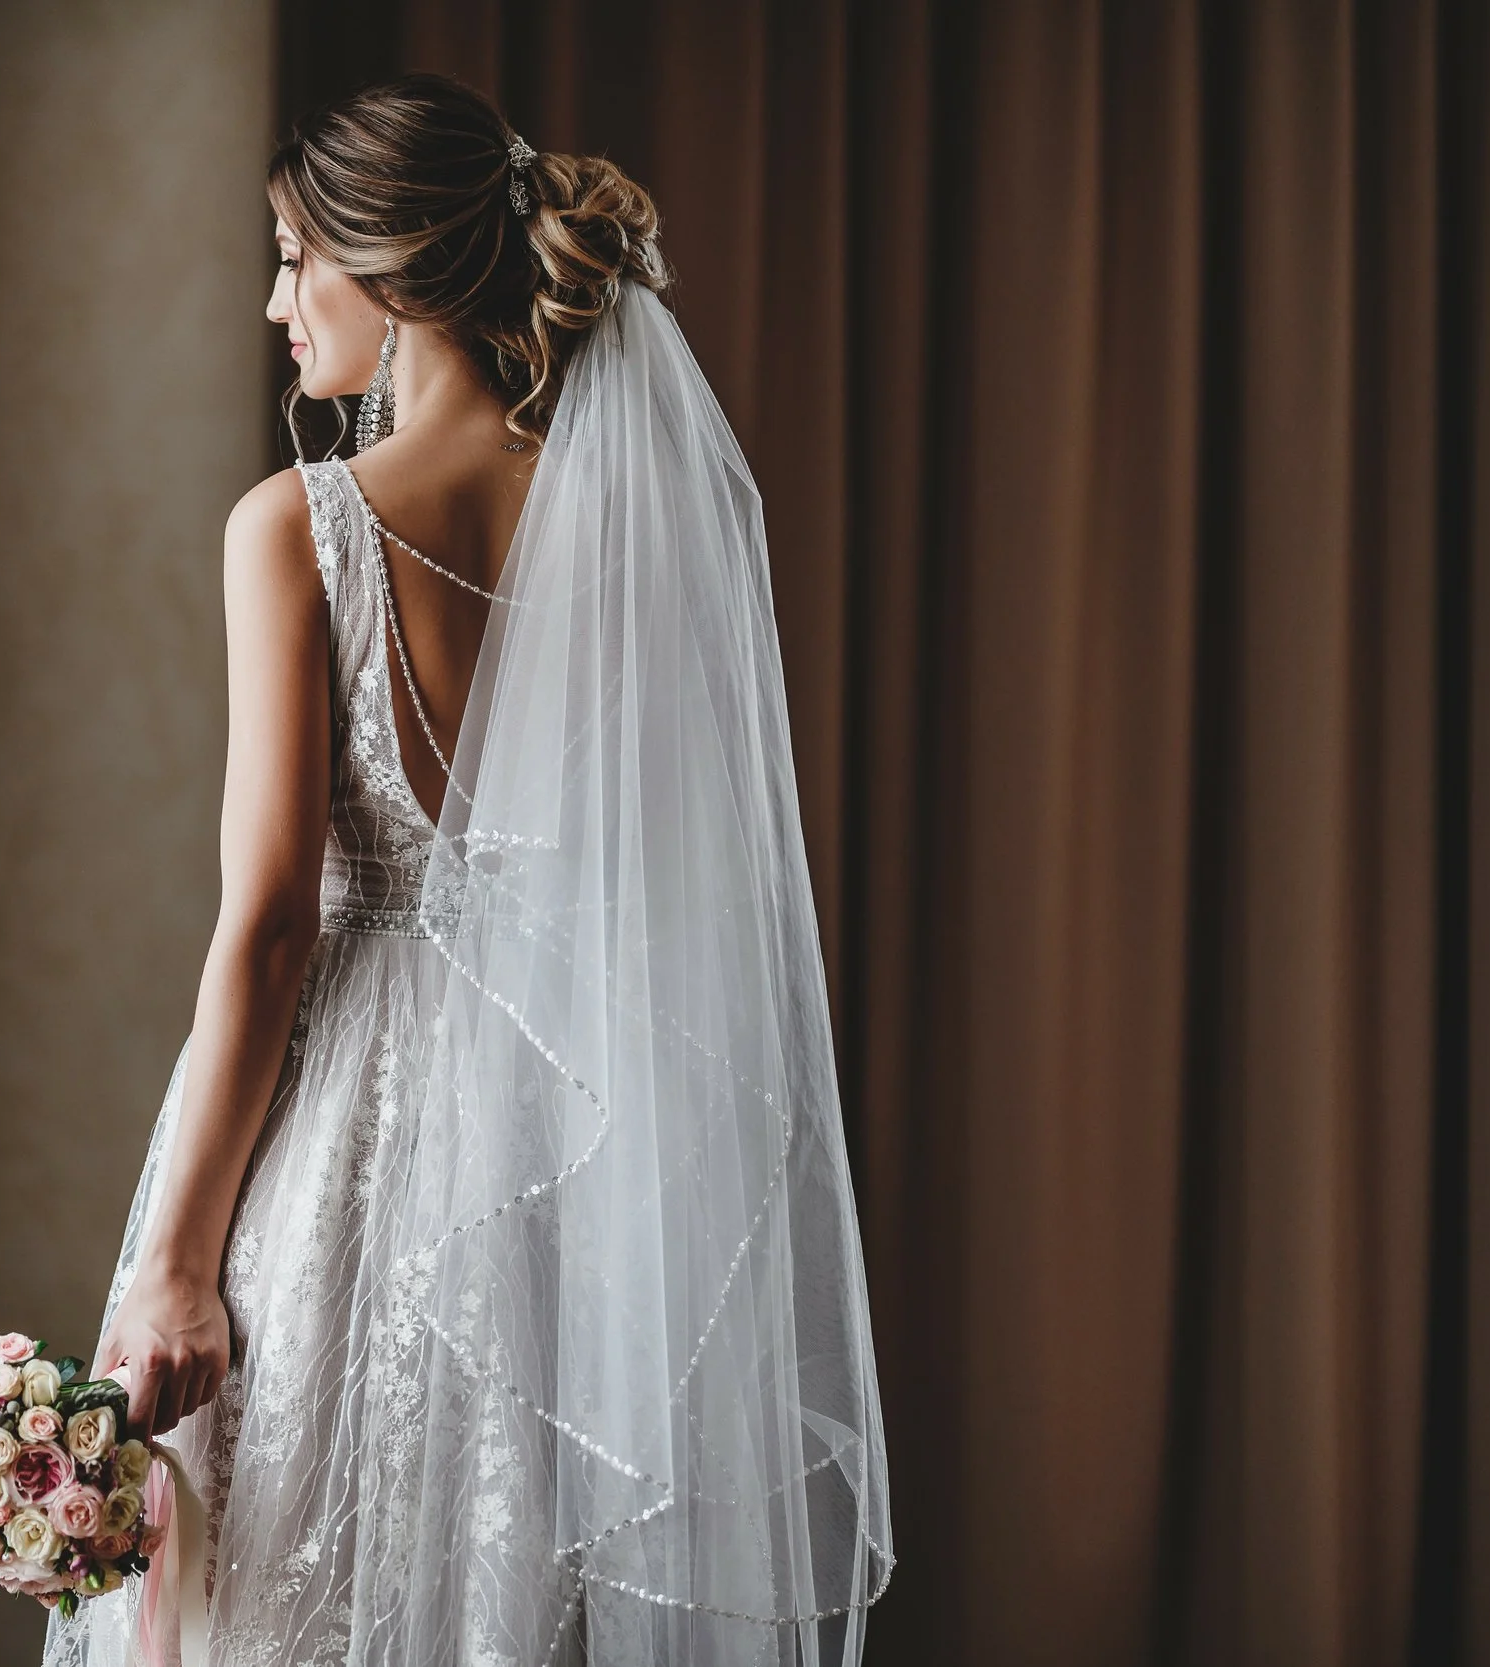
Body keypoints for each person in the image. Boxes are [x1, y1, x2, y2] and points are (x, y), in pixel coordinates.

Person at [50, 75, 891, 1667]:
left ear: (402, 267)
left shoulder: (297, 530)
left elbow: (272, 930)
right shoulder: (635, 529)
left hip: (345, 1127)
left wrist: (173, 1261)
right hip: (565, 1144)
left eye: (298, 257)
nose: (275, 301)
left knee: (283, 1580)